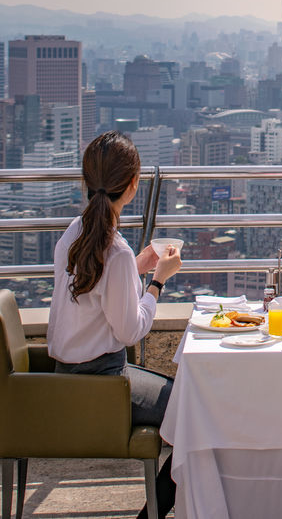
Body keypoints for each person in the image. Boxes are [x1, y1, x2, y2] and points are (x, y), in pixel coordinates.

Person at [47, 131, 182, 518]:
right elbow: (130, 331)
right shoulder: (116, 250)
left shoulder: (75, 233)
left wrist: (137, 268)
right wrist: (158, 281)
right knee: (193, 410)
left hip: (64, 375)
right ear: (134, 185)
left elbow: (97, 292)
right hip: (103, 380)